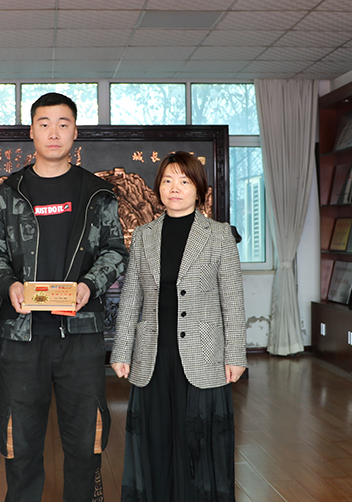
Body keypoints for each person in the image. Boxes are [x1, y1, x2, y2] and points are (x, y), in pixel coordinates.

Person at [0, 92, 128, 502]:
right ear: (31, 131)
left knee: (85, 438)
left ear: (75, 132)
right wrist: (9, 285)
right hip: (23, 335)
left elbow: (116, 252)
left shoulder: (97, 193)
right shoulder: (8, 193)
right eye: (44, 124)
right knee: (20, 438)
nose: (53, 132)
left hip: (80, 335)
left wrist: (89, 286)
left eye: (63, 124)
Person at [110, 151, 247, 502]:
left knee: (199, 443)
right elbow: (131, 297)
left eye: (184, 181)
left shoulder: (219, 235)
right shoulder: (144, 235)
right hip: (153, 355)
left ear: (199, 190)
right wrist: (121, 350)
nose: (175, 188)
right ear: (159, 187)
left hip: (203, 355)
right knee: (156, 440)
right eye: (168, 180)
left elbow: (232, 300)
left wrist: (236, 355)